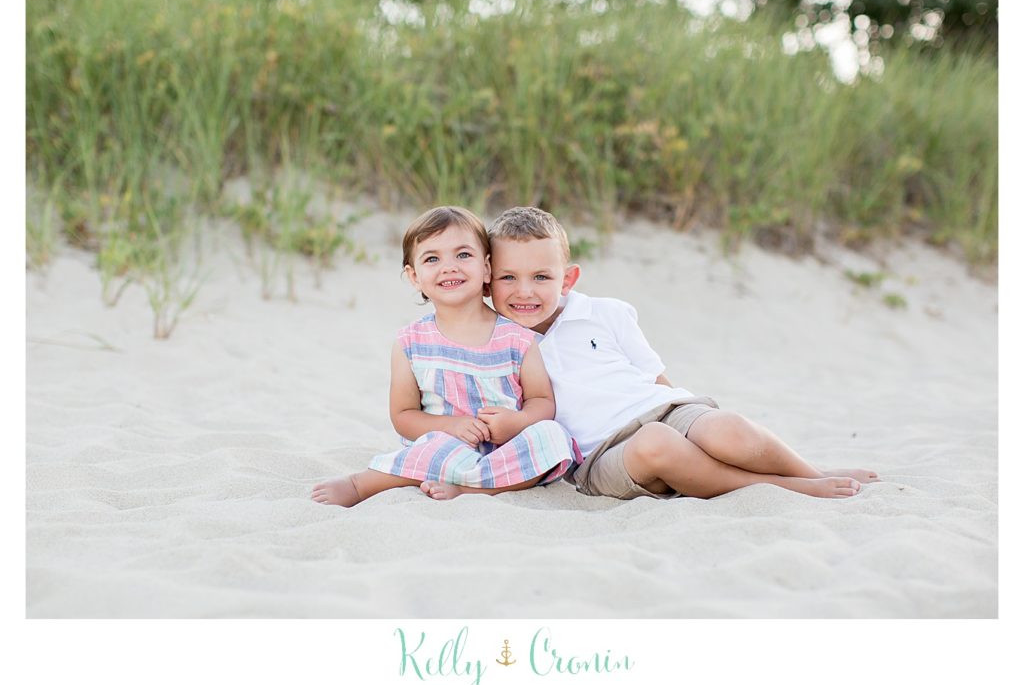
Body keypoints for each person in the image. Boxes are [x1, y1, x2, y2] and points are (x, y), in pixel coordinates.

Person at [486, 206, 879, 501]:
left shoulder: (605, 313)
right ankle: (788, 487)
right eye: (509, 278)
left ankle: (812, 472)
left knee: (727, 428)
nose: (525, 291)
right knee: (656, 443)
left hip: (662, 410)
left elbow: (657, 381)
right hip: (599, 455)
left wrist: (690, 421)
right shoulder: (492, 343)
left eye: (541, 277)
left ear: (567, 279)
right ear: (488, 282)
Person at [312, 206, 581, 507]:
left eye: (463, 255)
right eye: (432, 259)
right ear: (414, 277)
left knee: (553, 437)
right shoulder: (410, 342)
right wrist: (450, 427)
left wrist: (518, 422)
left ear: (487, 268)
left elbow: (542, 401)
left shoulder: (517, 338)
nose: (449, 266)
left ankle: (470, 490)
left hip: (506, 450)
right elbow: (403, 416)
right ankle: (361, 484)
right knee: (432, 450)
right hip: (444, 446)